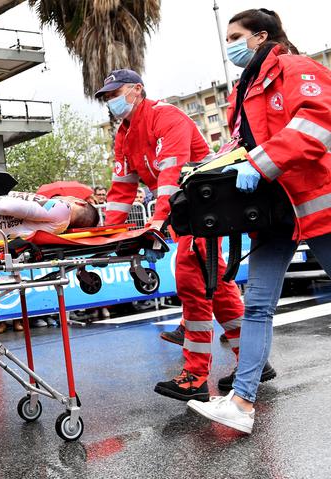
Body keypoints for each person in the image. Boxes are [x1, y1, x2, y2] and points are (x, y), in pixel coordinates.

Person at [187, 8, 331, 434]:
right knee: (257, 306)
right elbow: (240, 146)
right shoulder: (244, 90)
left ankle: (243, 400)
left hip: (318, 208)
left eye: (236, 35)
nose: (229, 43)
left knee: (258, 307)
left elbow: (318, 124)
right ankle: (242, 403)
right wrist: (204, 171)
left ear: (260, 36)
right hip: (276, 213)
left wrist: (261, 163)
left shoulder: (295, 68)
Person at [95, 69, 275, 403]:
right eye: (106, 97)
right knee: (216, 285)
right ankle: (253, 362)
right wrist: (110, 233)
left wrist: (157, 222)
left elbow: (171, 174)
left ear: (137, 89)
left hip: (205, 206)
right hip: (186, 211)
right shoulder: (124, 133)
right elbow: (122, 189)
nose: (110, 101)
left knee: (193, 281)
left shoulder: (167, 117)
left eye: (114, 93)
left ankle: (194, 376)